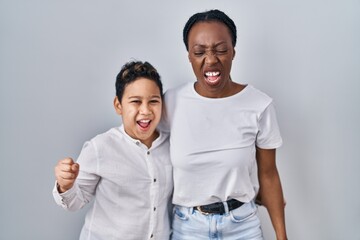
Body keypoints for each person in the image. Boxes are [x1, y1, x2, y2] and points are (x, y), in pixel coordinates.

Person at [162, 9, 287, 240]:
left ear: (233, 52)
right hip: (188, 228)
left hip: (242, 226)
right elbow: (144, 152)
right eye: (199, 52)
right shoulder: (171, 102)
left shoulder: (259, 105)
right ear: (189, 55)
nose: (211, 60)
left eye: (220, 50)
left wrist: (282, 237)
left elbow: (268, 175)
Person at [52, 61, 173, 240]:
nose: (146, 110)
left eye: (153, 101)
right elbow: (74, 203)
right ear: (118, 105)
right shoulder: (101, 147)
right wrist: (66, 185)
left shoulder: (171, 145)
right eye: (136, 102)